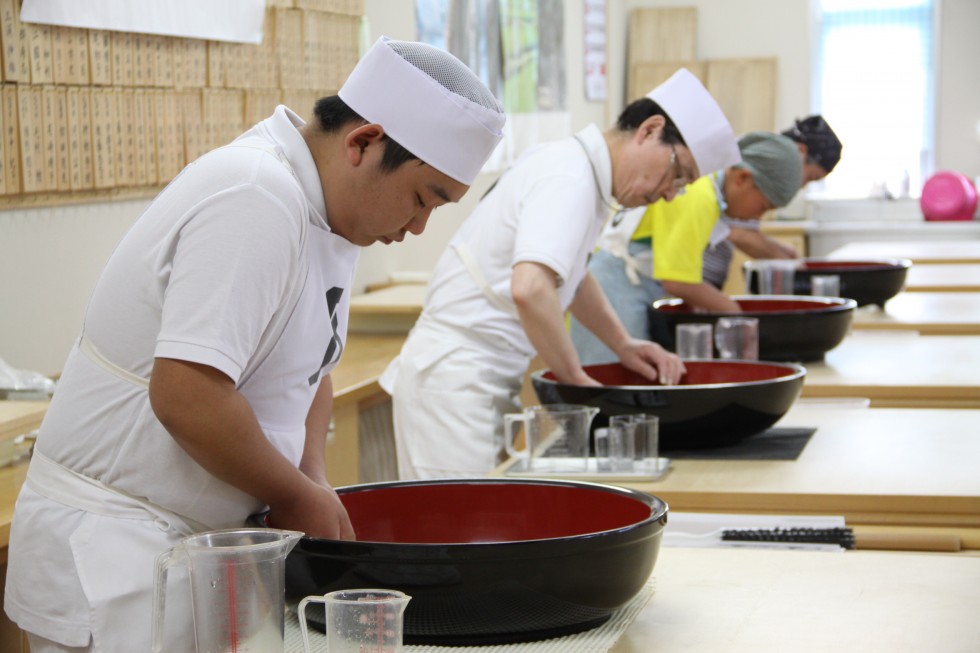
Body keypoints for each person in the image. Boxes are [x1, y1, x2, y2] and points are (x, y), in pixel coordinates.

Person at [4, 37, 505, 653]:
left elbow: (312, 366)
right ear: (362, 142)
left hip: (203, 546)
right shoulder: (256, 194)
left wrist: (312, 476)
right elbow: (187, 394)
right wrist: (294, 494)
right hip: (118, 548)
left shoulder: (331, 217)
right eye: (424, 198)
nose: (419, 226)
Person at [380, 69, 740, 480]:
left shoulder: (582, 174)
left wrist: (622, 344)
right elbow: (531, 290)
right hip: (455, 379)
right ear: (650, 130)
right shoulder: (569, 176)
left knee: (480, 524)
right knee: (456, 529)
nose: (669, 193)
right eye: (678, 173)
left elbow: (571, 276)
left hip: (476, 375)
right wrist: (575, 381)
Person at [572, 131, 802, 364]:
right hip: (616, 291)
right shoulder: (700, 196)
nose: (758, 216)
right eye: (763, 206)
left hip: (625, 284)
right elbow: (678, 280)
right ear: (742, 178)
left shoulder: (706, 189)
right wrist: (738, 313)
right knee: (609, 384)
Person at [704, 114, 844, 288]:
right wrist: (787, 262)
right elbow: (735, 231)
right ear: (800, 152)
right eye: (810, 177)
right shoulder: (756, 167)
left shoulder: (761, 177)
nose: (802, 186)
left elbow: (743, 228)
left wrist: (785, 253)